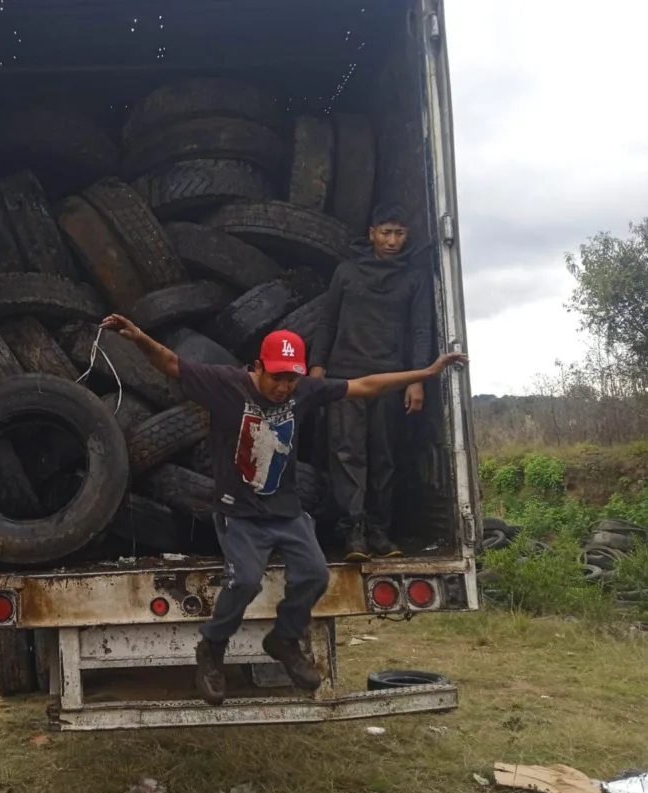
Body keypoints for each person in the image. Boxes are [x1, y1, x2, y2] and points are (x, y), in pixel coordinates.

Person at [100, 313, 466, 706]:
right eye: (276, 377)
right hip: (238, 512)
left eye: (290, 378)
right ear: (258, 367)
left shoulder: (302, 391)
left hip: (285, 511)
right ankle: (212, 647)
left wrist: (425, 372)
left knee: (314, 575)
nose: (283, 387)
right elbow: (172, 363)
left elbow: (365, 385)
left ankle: (285, 639)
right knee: (245, 582)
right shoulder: (226, 384)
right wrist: (139, 338)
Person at [309, 203, 434, 561]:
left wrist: (417, 380)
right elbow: (327, 322)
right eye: (385, 232)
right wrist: (317, 367)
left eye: (399, 233)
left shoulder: (414, 278)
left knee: (384, 457)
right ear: (371, 233)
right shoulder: (346, 272)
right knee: (347, 454)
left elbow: (420, 330)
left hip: (391, 378)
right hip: (344, 375)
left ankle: (379, 531)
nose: (392, 240)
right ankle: (354, 533)